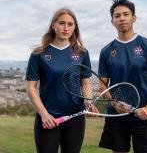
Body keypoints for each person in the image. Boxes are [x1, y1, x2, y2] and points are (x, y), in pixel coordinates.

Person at [98, 0, 147, 153]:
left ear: (134, 18)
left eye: (126, 14)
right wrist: (113, 102)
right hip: (117, 114)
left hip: (143, 113)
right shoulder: (106, 51)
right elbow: (102, 83)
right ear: (112, 21)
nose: (122, 18)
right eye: (117, 15)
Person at [26, 8, 97, 153]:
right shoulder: (39, 53)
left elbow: (86, 82)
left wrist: (88, 101)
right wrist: (44, 115)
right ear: (53, 25)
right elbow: (31, 87)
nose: (66, 28)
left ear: (75, 27)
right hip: (48, 117)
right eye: (62, 23)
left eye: (70, 24)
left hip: (75, 117)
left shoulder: (82, 53)